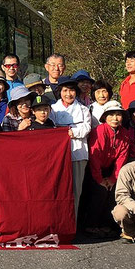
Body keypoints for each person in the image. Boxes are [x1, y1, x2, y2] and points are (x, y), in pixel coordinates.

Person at [84, 101, 132, 237]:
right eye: (111, 115)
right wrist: (100, 179)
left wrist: (112, 179)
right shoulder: (99, 131)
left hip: (112, 168)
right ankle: (91, 225)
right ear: (105, 117)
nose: (115, 118)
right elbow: (95, 157)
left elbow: (122, 158)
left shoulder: (125, 134)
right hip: (95, 168)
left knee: (113, 193)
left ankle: (107, 225)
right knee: (98, 192)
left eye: (118, 115)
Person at [51, 76, 92, 223]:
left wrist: (71, 132)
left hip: (78, 153)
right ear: (59, 92)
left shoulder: (83, 109)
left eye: (72, 90)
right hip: (57, 156)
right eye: (65, 90)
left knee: (76, 191)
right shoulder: (53, 109)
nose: (68, 94)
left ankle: (72, 224)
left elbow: (86, 128)